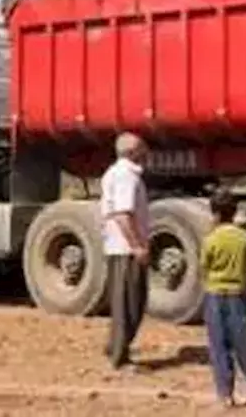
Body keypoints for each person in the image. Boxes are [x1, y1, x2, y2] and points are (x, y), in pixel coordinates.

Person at [200, 189, 246, 408]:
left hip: (214, 296)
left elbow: (204, 268)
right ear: (234, 212)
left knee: (219, 347)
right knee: (245, 345)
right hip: (238, 296)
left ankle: (226, 394)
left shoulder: (210, 239)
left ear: (214, 214)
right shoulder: (245, 238)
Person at [101, 132, 150, 371]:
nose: (146, 152)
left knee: (127, 301)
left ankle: (115, 347)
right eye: (142, 148)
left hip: (119, 247)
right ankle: (119, 357)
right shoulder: (126, 176)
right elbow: (123, 214)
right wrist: (137, 246)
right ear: (132, 152)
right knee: (129, 303)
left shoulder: (118, 173)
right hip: (124, 249)